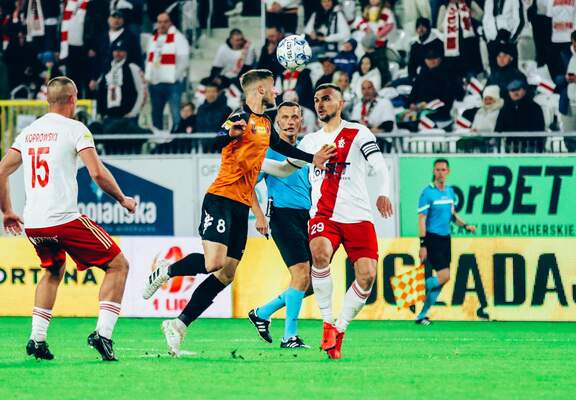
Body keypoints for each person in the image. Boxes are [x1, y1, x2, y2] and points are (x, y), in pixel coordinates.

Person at [142, 69, 334, 357]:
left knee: (227, 273)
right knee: (214, 263)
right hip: (220, 198)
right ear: (260, 90)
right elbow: (217, 140)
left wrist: (313, 158)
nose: (276, 91)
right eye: (272, 87)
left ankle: (179, 324)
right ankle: (167, 270)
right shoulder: (240, 117)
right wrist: (228, 133)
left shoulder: (265, 123)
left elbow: (282, 147)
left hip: (241, 206)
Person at [0, 76, 137, 361]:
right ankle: (103, 335)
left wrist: (8, 211)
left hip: (34, 224)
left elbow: (2, 170)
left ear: (48, 100)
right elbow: (97, 173)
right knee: (118, 265)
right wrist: (123, 199)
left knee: (53, 271)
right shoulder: (76, 129)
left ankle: (37, 339)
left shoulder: (29, 132)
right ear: (73, 98)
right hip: (63, 219)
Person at [260, 84, 394, 359]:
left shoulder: (358, 132)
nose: (320, 104)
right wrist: (251, 163)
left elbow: (379, 165)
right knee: (319, 254)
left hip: (358, 216)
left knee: (367, 276)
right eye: (316, 100)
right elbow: (285, 169)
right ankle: (327, 322)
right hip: (324, 215)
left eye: (326, 99)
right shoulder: (309, 142)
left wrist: (383, 192)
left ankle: (339, 330)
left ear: (341, 103)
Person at [247, 101, 313, 349]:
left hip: (307, 217)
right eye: (285, 117)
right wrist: (259, 217)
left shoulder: (305, 149)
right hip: (282, 216)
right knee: (301, 275)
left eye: (295, 117)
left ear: (301, 121)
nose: (290, 121)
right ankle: (289, 337)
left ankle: (262, 313)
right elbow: (248, 186)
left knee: (311, 283)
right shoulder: (269, 152)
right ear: (277, 122)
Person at [417, 159, 475, 325]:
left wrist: (465, 225)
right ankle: (418, 288)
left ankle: (422, 315)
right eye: (438, 170)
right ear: (433, 171)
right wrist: (423, 244)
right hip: (432, 239)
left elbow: (452, 215)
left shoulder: (450, 192)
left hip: (445, 239)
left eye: (443, 169)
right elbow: (422, 220)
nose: (440, 172)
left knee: (442, 281)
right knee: (444, 276)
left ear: (448, 171)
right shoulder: (427, 193)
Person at [144, 12, 189, 130]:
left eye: (165, 22)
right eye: (159, 22)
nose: (162, 25)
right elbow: (149, 60)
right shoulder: (152, 39)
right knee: (156, 115)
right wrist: (148, 77)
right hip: (156, 83)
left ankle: (177, 139)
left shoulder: (179, 38)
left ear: (170, 23)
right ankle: (159, 138)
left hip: (173, 84)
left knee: (176, 114)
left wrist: (173, 77)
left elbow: (184, 61)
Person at [96, 39, 146, 134]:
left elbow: (141, 92)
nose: (118, 53)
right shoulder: (107, 68)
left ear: (126, 52)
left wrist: (133, 113)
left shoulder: (133, 68)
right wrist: (102, 113)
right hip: (109, 117)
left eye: (121, 51)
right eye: (116, 50)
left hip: (128, 118)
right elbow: (101, 92)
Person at [495, 79, 546, 152]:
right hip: (511, 147)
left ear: (524, 90)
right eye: (512, 90)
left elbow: (539, 128)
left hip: (530, 147)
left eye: (518, 89)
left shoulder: (534, 108)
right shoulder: (505, 109)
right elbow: (498, 127)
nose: (515, 92)